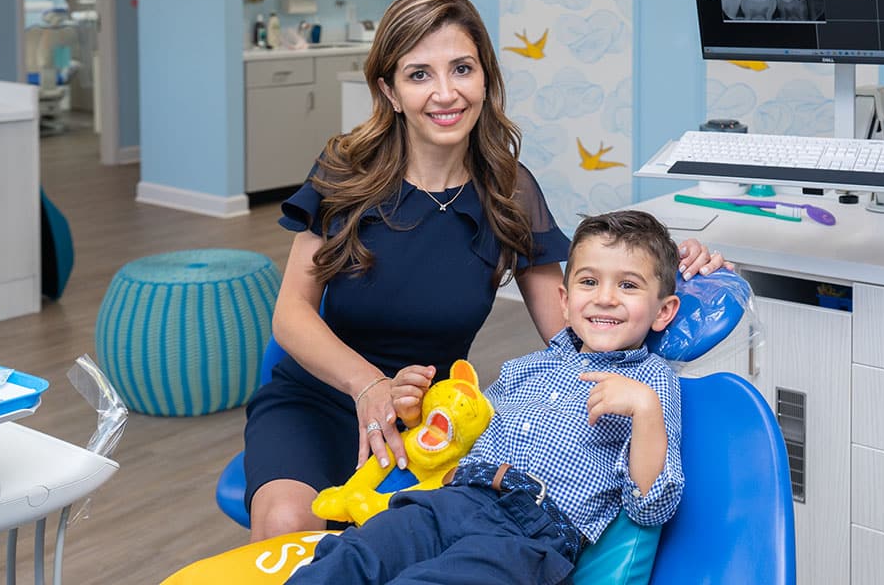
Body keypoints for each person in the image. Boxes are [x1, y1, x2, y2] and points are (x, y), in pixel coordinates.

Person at [244, 0, 725, 542]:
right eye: (419, 74)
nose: (446, 93)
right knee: (285, 524)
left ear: (485, 78)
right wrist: (368, 385)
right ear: (390, 91)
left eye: (462, 69)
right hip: (322, 397)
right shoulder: (345, 171)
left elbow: (578, 330)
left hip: (434, 420)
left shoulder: (509, 192)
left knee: (406, 551)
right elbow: (291, 315)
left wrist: (679, 270)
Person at [286, 210, 686, 584]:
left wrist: (645, 410)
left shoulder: (651, 383)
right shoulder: (527, 367)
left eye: (628, 285)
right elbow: (463, 433)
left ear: (663, 311)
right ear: (565, 302)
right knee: (352, 554)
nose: (605, 297)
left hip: (529, 531)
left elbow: (650, 507)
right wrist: (415, 413)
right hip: (451, 499)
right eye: (588, 281)